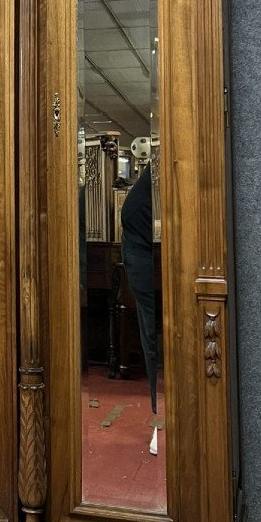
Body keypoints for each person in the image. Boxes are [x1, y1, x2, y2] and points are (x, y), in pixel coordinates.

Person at [120, 163, 157, 416]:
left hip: (144, 254)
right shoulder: (156, 170)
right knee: (149, 331)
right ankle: (158, 411)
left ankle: (160, 411)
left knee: (151, 331)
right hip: (141, 254)